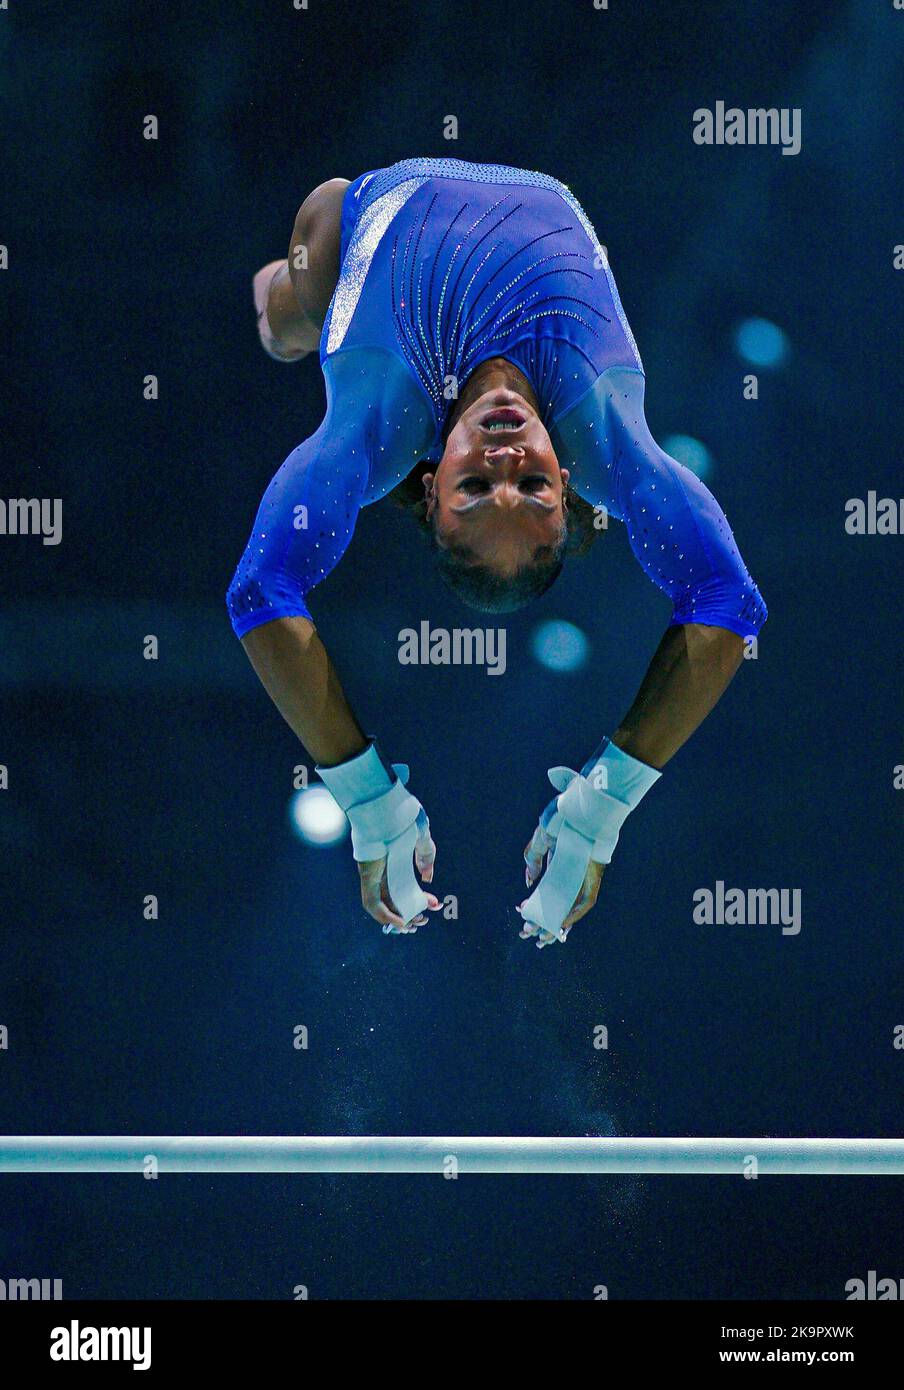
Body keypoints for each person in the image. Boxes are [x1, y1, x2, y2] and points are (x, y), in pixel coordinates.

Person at [227, 158, 766, 947]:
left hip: (348, 223)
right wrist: (597, 812)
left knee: (298, 294)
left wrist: (367, 799)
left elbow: (259, 593)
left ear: (429, 479)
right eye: (537, 490)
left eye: (476, 486)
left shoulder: (380, 422)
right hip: (539, 190)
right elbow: (730, 603)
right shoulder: (605, 433)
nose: (506, 458)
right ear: (572, 483)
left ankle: (281, 314)